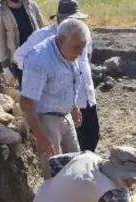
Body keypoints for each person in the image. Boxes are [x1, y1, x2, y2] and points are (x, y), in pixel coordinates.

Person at [14, 0, 100, 152]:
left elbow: (84, 61)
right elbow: (21, 57)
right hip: (51, 111)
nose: (75, 22)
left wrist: (74, 104)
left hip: (81, 99)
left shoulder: (81, 34)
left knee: (91, 137)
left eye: (77, 19)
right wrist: (38, 79)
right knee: (58, 159)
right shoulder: (44, 39)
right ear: (59, 19)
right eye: (71, 19)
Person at [19, 18, 87, 178]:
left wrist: (74, 107)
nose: (80, 52)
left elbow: (68, 82)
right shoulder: (39, 60)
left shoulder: (69, 52)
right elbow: (26, 104)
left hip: (66, 118)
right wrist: (41, 138)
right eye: (77, 47)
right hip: (46, 121)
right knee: (54, 174)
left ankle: (72, 201)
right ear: (61, 39)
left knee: (76, 167)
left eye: (83, 47)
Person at [0, 0, 45, 87]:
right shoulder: (0, 13)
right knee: (27, 93)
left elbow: (43, 29)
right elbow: (1, 40)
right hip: (19, 62)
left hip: (38, 58)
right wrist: (5, 66)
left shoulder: (31, 5)